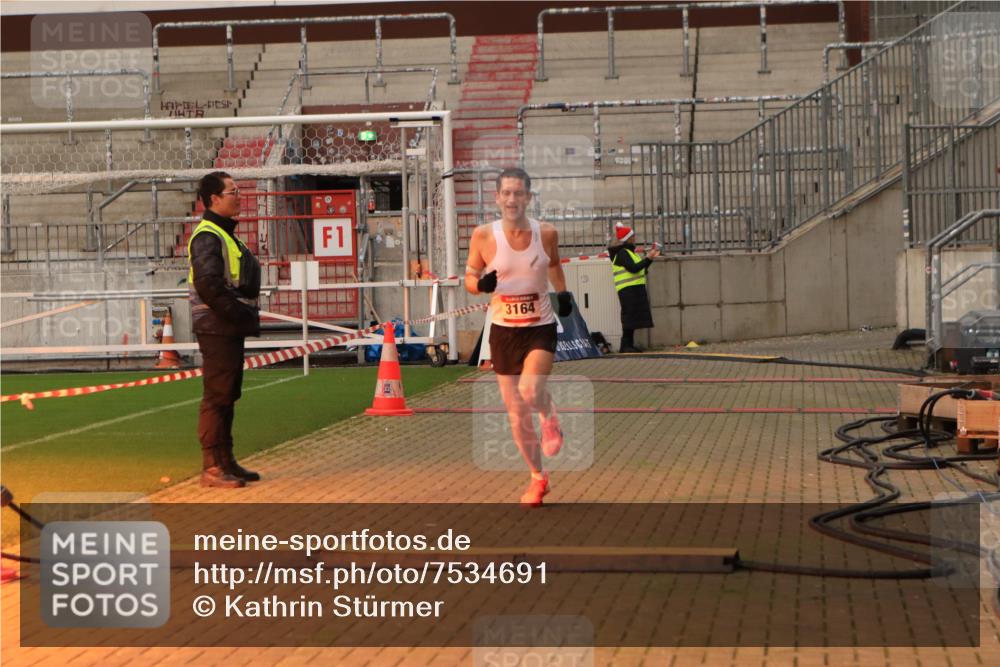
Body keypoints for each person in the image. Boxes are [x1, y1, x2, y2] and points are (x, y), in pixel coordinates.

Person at [465, 167, 574, 507]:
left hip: (539, 326)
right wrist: (479, 285)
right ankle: (538, 479)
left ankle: (549, 414)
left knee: (530, 390)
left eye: (519, 193)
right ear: (497, 198)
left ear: (528, 197)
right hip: (503, 331)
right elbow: (470, 275)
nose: (512, 199)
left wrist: (563, 292)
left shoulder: (547, 232)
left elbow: (553, 264)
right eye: (506, 193)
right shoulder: (483, 235)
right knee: (515, 411)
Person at [188, 171, 262, 488]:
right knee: (217, 396)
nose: (239, 195)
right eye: (232, 191)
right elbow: (208, 285)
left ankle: (225, 461)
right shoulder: (208, 236)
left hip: (225, 324)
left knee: (227, 394)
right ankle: (212, 467)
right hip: (217, 325)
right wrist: (237, 313)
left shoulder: (224, 234)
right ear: (214, 199)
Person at [608, 222, 659, 353]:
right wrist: (647, 258)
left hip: (633, 289)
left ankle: (628, 345)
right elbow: (633, 268)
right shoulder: (623, 253)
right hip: (627, 289)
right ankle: (625, 346)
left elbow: (640, 269)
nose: (635, 238)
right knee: (629, 317)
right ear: (628, 238)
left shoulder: (629, 253)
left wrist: (650, 259)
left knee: (632, 317)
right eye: (633, 236)